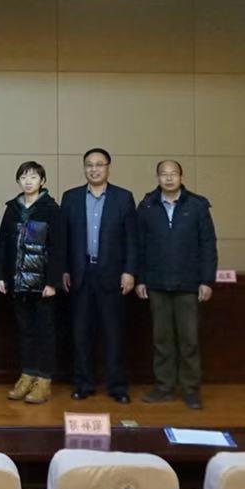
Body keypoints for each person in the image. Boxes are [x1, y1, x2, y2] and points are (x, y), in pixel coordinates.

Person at [135, 160, 218, 410]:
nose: (169, 178)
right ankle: (164, 387)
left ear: (181, 177)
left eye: (173, 174)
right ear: (157, 177)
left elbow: (208, 245)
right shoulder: (147, 205)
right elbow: (140, 246)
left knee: (189, 339)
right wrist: (141, 279)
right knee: (162, 339)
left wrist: (206, 280)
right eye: (164, 174)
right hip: (157, 282)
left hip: (188, 283)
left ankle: (191, 390)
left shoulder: (197, 205)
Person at [61, 148, 138, 403]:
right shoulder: (70, 198)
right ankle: (83, 384)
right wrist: (64, 269)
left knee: (114, 334)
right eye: (89, 165)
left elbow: (132, 239)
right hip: (80, 274)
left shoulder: (123, 198)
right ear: (84, 168)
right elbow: (63, 239)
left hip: (112, 275)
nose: (94, 169)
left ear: (108, 167)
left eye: (99, 164)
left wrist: (129, 271)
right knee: (80, 334)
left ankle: (117, 387)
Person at [0, 161, 65, 404]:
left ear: (42, 181)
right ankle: (26, 375)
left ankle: (44, 380)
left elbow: (58, 248)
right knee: (24, 331)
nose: (28, 181)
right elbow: (3, 244)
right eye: (24, 177)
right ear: (18, 181)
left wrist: (52, 282)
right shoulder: (12, 209)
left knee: (44, 332)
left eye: (34, 177)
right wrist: (1, 276)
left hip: (42, 284)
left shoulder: (52, 209)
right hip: (17, 282)